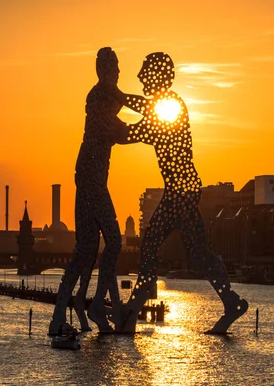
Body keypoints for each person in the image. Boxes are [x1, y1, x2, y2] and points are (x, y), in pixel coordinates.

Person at [112, 52, 248, 334]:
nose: (139, 77)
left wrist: (115, 98)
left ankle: (131, 312)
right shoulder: (164, 107)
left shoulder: (171, 105)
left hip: (180, 192)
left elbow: (137, 130)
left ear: (159, 76)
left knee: (150, 245)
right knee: (197, 251)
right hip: (183, 189)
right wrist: (121, 101)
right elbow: (143, 119)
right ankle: (230, 301)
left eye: (144, 72)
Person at [49, 47, 137, 335]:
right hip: (90, 179)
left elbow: (130, 101)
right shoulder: (98, 97)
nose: (120, 72)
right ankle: (98, 306)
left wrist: (156, 112)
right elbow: (117, 131)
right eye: (116, 67)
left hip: (93, 178)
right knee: (110, 242)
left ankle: (68, 310)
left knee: (88, 250)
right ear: (105, 70)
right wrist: (151, 129)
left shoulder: (110, 94)